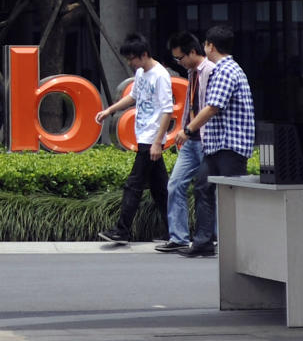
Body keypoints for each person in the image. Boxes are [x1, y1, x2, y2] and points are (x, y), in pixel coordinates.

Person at [175, 25, 255, 257]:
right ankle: (203, 242)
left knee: (229, 196)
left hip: (230, 145)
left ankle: (237, 247)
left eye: (206, 44)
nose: (204, 47)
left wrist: (188, 130)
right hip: (218, 145)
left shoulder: (225, 70)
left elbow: (212, 107)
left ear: (210, 46)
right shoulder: (226, 69)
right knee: (203, 187)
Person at [95, 33, 173, 243]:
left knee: (134, 184)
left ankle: (122, 230)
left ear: (144, 54)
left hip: (151, 138)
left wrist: (158, 142)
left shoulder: (160, 75)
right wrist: (110, 110)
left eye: (132, 58)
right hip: (144, 136)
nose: (130, 63)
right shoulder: (141, 73)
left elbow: (168, 111)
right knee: (160, 189)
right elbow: (134, 97)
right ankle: (174, 231)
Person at [155, 32, 214, 253]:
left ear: (192, 52)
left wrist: (188, 130)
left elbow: (210, 107)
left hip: (207, 140)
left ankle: (212, 237)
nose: (178, 63)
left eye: (180, 58)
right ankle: (179, 237)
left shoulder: (209, 70)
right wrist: (183, 129)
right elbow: (192, 105)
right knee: (175, 184)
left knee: (207, 190)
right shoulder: (192, 73)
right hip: (191, 140)